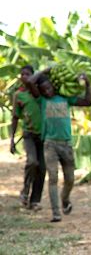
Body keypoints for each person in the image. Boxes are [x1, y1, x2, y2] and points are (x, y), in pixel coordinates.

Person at [26, 68, 91, 222]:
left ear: (54, 86)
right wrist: (45, 71)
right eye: (44, 89)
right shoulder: (42, 100)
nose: (47, 91)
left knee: (70, 179)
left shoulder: (65, 98)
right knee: (53, 177)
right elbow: (30, 82)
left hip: (66, 144)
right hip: (50, 144)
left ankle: (65, 199)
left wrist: (87, 84)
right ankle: (56, 213)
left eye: (49, 88)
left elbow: (87, 102)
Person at [10, 64, 45, 211]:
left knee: (42, 168)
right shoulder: (19, 95)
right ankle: (25, 191)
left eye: (28, 74)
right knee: (32, 162)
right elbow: (15, 118)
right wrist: (11, 139)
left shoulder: (40, 92)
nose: (24, 77)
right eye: (22, 74)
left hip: (43, 135)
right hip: (28, 134)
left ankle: (35, 200)